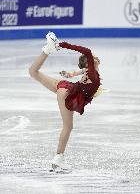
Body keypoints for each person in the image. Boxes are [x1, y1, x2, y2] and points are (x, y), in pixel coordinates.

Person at [29, 32, 101, 172]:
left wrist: (69, 74)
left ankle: (47, 50)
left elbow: (75, 74)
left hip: (66, 87)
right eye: (91, 59)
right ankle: (58, 159)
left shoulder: (88, 71)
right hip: (68, 93)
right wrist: (63, 45)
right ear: (88, 63)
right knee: (68, 127)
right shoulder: (91, 71)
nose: (94, 58)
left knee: (33, 72)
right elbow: (87, 51)